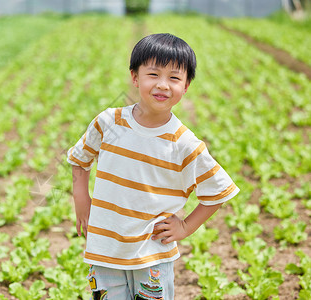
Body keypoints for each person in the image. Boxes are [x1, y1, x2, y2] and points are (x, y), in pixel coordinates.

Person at [66, 33, 239, 300]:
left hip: (153, 254)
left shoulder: (184, 144)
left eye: (174, 78)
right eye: (153, 74)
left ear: (186, 85)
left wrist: (185, 227)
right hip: (105, 250)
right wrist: (81, 197)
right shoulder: (108, 122)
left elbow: (217, 192)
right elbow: (80, 160)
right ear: (135, 78)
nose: (162, 85)